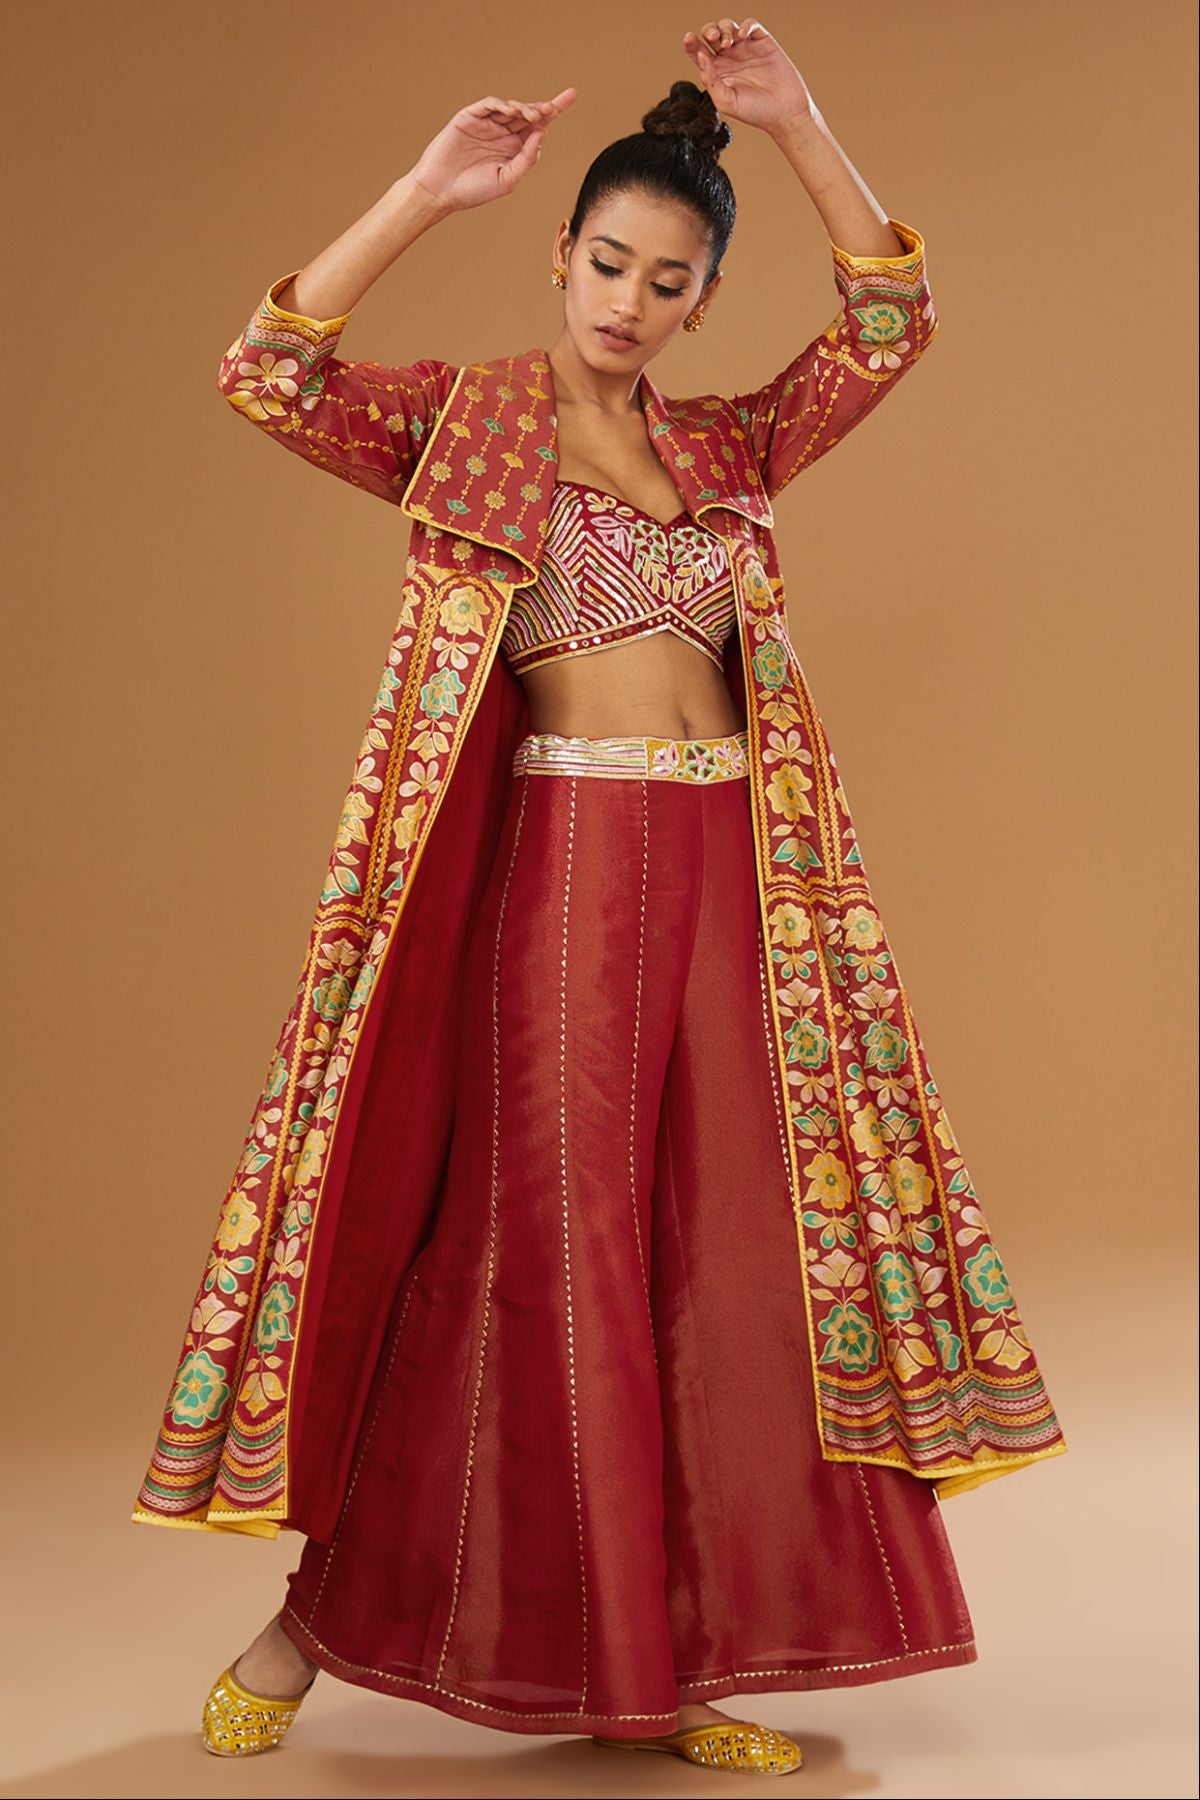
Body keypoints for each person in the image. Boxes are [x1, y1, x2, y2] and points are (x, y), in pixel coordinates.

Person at [133, 15, 1066, 1775]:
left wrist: (800, 122)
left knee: (720, 1264)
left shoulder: (730, 448)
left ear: (703, 301)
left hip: (735, 883)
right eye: (610, 263)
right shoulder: (465, 425)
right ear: (559, 253)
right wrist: (424, 190)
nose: (630, 300)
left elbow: (891, 321)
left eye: (669, 279)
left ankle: (673, 1665)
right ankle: (311, 1624)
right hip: (562, 874)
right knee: (541, 1255)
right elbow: (268, 374)